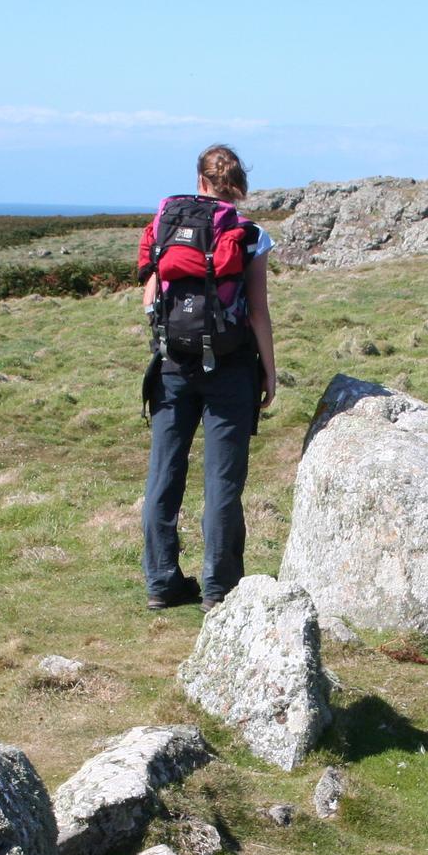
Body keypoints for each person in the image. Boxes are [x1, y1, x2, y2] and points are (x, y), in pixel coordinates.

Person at [137, 144, 278, 611]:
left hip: (172, 366)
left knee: (164, 475)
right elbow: (257, 312)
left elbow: (148, 301)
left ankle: (162, 583)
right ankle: (219, 587)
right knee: (222, 481)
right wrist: (269, 374)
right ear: (239, 183)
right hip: (230, 367)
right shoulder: (249, 234)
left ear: (199, 179)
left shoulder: (166, 224)